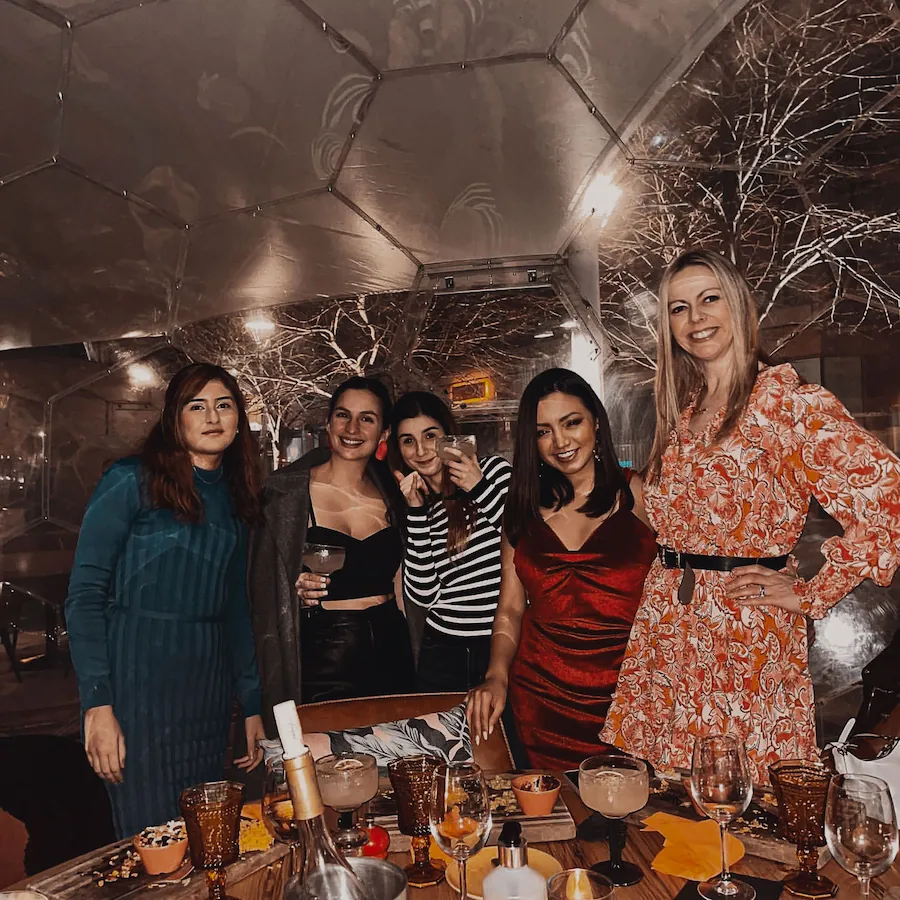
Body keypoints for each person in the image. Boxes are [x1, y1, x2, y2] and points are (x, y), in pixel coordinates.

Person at [600, 249, 900, 784]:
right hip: (672, 630)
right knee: (676, 806)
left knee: (742, 800)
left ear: (739, 305)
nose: (695, 319)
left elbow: (888, 499)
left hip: (742, 632)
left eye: (710, 299)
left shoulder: (787, 404)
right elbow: (686, 522)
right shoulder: (686, 410)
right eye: (679, 308)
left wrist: (811, 593)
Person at [66, 363, 265, 838]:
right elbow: (84, 595)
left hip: (207, 694)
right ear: (175, 418)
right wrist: (97, 706)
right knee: (151, 839)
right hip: (138, 688)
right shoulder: (131, 479)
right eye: (197, 405)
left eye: (224, 404)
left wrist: (252, 703)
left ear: (239, 419)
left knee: (207, 837)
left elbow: (236, 608)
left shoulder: (238, 495)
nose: (212, 416)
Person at [467, 369, 656, 770]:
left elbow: (696, 568)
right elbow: (510, 610)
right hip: (541, 700)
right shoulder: (521, 511)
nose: (561, 442)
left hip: (632, 695)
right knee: (557, 822)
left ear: (596, 422)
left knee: (643, 822)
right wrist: (496, 675)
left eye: (572, 423)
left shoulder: (638, 492)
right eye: (543, 431)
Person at [249, 376, 417, 718]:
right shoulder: (284, 494)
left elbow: (408, 581)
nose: (352, 427)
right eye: (343, 415)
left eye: (367, 418)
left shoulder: (393, 493)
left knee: (396, 759)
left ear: (384, 433)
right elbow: (260, 592)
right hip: (325, 653)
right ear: (328, 423)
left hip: (391, 645)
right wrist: (291, 590)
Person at [388, 392, 512, 692]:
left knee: (505, 738)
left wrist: (478, 487)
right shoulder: (420, 507)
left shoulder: (493, 472)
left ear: (448, 435)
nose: (420, 450)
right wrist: (416, 512)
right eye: (408, 441)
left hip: (502, 645)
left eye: (430, 435)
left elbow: (529, 542)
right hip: (444, 651)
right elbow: (425, 594)